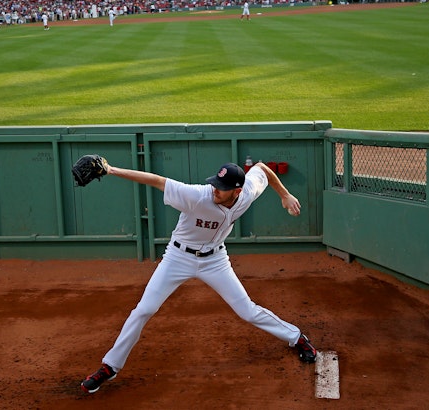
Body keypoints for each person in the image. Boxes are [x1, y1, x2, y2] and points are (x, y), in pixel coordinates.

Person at [80, 160, 317, 394]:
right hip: (178, 258)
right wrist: (111, 170)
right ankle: (110, 367)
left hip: (215, 261)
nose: (215, 188)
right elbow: (157, 181)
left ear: (237, 191)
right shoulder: (197, 195)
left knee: (247, 310)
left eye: (221, 187)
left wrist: (284, 195)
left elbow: (262, 168)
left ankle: (296, 337)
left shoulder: (246, 193)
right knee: (144, 310)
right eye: (215, 183)